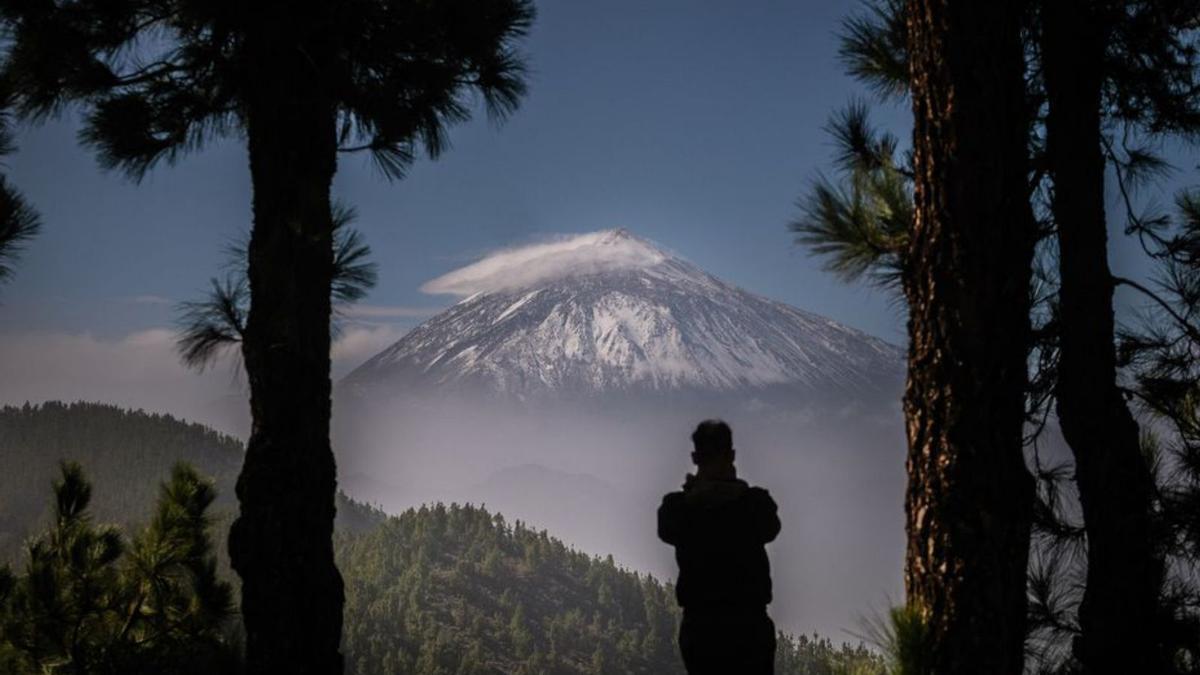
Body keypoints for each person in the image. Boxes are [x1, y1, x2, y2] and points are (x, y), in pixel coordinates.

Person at [658, 419, 781, 675]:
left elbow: (668, 530)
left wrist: (701, 496)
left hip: (701, 628)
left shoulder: (677, 508)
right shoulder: (755, 504)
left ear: (694, 457)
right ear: (732, 455)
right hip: (749, 626)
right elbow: (770, 528)